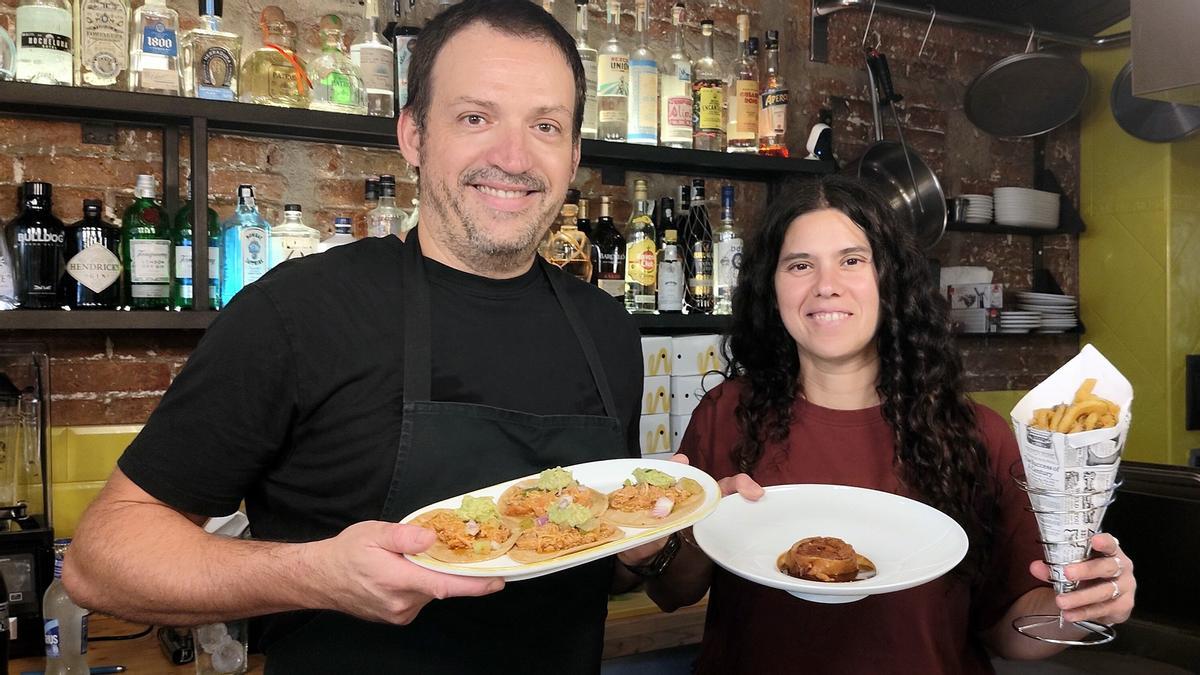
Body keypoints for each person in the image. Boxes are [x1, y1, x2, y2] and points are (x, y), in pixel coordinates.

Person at [62, 1, 643, 672]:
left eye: (544, 125)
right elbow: (100, 558)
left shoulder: (607, 331)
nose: (511, 157)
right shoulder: (297, 311)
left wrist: (652, 540)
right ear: (414, 137)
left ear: (572, 154)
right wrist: (315, 575)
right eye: (475, 117)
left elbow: (602, 570)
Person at [623, 175, 1137, 674]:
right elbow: (673, 592)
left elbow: (1005, 633)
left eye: (852, 260)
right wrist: (673, 537)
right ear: (771, 287)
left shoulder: (978, 435)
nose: (826, 286)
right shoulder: (726, 414)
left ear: (889, 280)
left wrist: (1083, 606)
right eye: (800, 265)